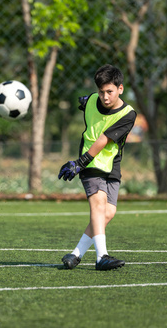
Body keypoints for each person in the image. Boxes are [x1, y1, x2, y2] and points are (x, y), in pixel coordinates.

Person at [58, 64, 136, 270]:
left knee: (107, 213)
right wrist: (82, 163)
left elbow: (104, 139)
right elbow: (89, 105)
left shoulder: (128, 114)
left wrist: (78, 164)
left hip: (111, 165)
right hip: (91, 162)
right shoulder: (93, 99)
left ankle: (75, 254)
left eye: (110, 91)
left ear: (120, 89)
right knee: (99, 206)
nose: (105, 97)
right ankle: (102, 257)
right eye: (101, 92)